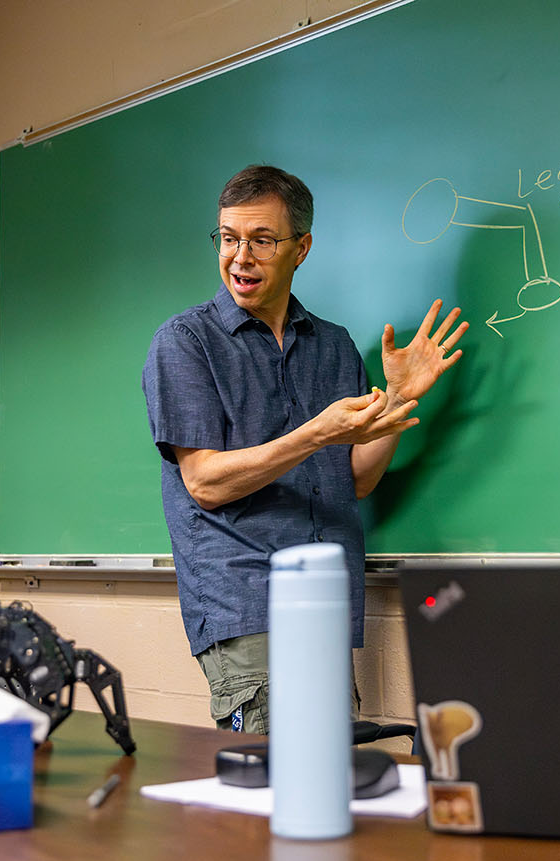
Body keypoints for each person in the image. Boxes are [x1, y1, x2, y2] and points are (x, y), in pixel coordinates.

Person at [143, 164, 468, 733]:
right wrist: (316, 432)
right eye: (228, 237)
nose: (240, 257)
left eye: (263, 240)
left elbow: (357, 480)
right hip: (247, 601)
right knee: (279, 795)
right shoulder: (186, 341)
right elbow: (205, 482)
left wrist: (394, 401)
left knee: (334, 782)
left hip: (328, 603)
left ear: (301, 248)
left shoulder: (334, 345)